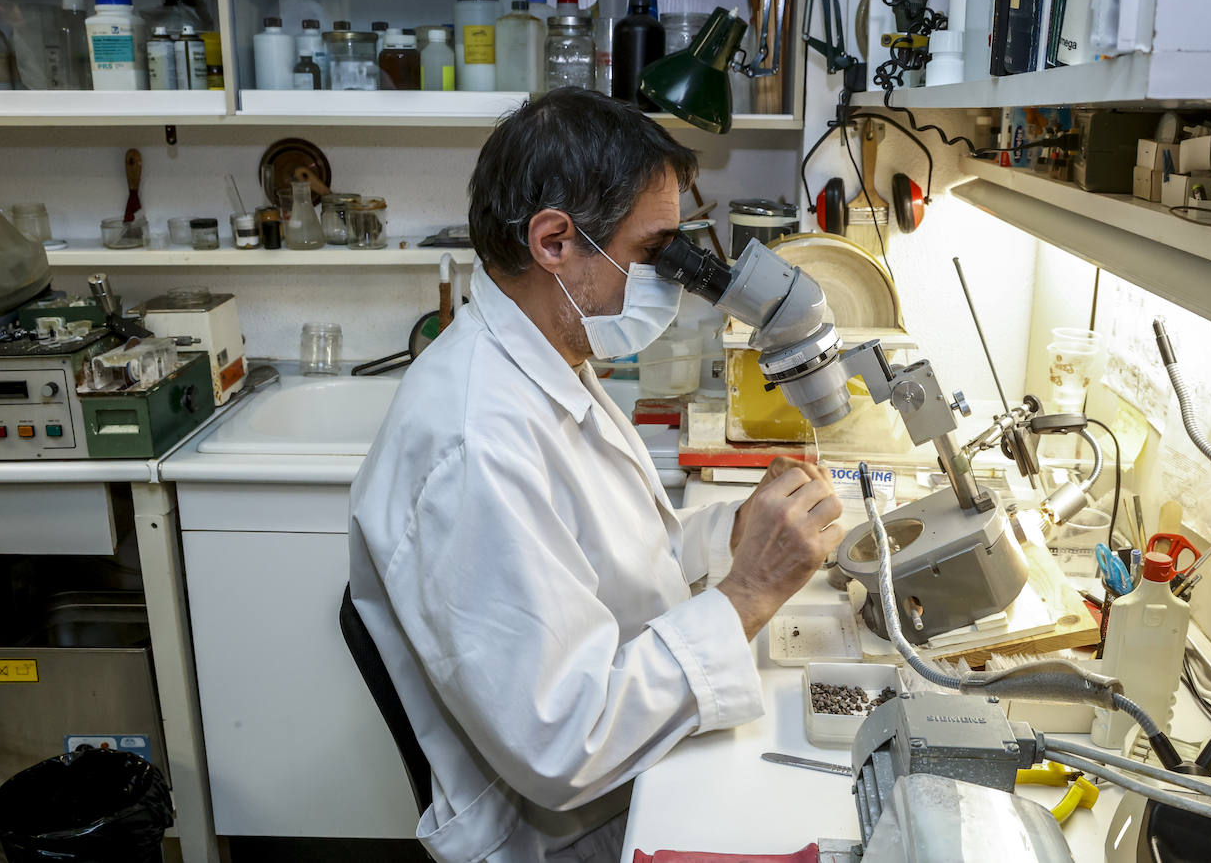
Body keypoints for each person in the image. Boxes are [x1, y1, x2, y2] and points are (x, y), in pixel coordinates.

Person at [349, 88, 844, 862]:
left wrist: (733, 539)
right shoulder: (476, 442)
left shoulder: (550, 358)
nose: (672, 280)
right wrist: (746, 595)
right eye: (654, 253)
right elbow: (562, 739)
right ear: (554, 242)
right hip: (563, 828)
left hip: (616, 774)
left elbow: (610, 566)